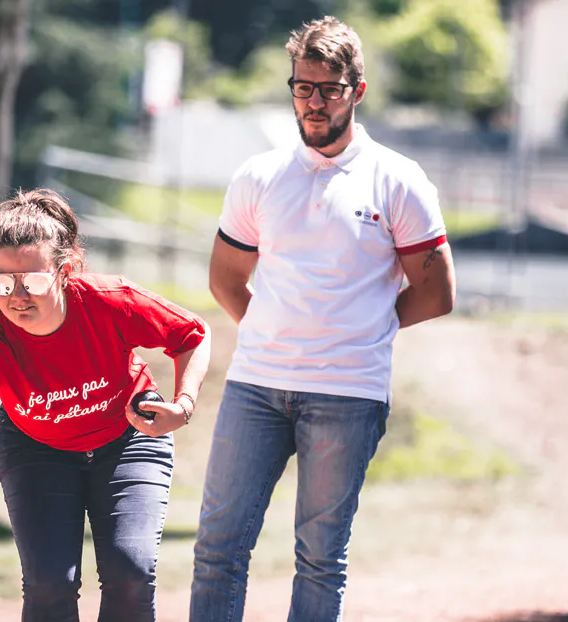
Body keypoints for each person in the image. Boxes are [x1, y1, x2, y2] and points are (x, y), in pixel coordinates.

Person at [189, 16, 455, 621]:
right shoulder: (258, 175)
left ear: (357, 91)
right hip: (256, 386)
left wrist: (363, 327)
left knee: (319, 557)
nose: (313, 102)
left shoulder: (398, 179)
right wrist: (271, 328)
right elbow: (226, 280)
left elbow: (436, 292)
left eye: (328, 89)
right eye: (302, 88)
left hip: (347, 392)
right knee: (218, 549)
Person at [0, 188, 211, 621]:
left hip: (128, 440)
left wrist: (183, 405)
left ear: (65, 271)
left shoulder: (110, 302)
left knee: (130, 571)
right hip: (36, 448)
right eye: (3, 281)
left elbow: (192, 336)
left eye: (33, 280)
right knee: (50, 583)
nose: (17, 295)